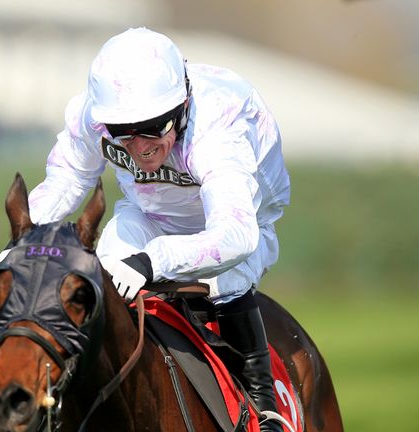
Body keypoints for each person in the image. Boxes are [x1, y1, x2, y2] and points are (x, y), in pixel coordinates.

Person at [28, 27, 290, 432]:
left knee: (225, 281)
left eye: (153, 127)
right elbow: (67, 178)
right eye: (123, 132)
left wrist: (155, 260)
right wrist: (27, 240)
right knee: (99, 280)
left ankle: (264, 407)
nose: (140, 146)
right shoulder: (93, 115)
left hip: (239, 223)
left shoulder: (219, 123)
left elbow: (237, 235)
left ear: (183, 106)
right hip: (148, 216)